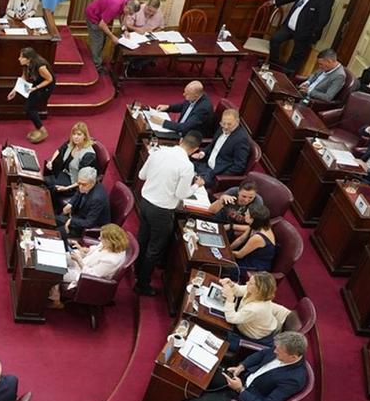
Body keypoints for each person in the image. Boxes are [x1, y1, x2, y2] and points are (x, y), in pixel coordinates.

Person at [182, 331, 309, 401]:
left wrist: (240, 390)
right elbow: (261, 354)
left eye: (279, 351)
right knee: (201, 372)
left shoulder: (294, 380)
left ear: (293, 357)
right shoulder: (282, 348)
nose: (274, 351)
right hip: (241, 378)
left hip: (245, 398)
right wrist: (242, 366)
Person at [134, 133, 197, 296]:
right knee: (154, 249)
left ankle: (136, 270)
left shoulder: (158, 152)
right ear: (195, 149)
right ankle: (142, 284)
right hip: (162, 211)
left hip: (145, 202)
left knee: (142, 238)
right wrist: (195, 186)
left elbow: (141, 175)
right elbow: (182, 193)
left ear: (181, 141)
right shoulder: (187, 166)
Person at [50, 223, 128, 309]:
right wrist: (81, 248)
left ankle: (56, 301)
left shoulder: (111, 261)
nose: (99, 239)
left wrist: (79, 261)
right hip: (83, 262)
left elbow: (92, 274)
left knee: (54, 271)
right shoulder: (110, 245)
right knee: (58, 257)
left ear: (111, 241)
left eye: (102, 238)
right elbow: (95, 249)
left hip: (83, 276)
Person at [270, 0, 334, 74]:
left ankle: (286, 75)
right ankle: (274, 65)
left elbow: (323, 19)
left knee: (296, 55)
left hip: (304, 32)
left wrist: (311, 33)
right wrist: (275, 2)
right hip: (289, 27)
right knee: (275, 39)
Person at [218, 271, 290, 350]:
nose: (247, 282)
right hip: (246, 324)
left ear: (259, 289)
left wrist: (230, 299)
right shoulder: (254, 291)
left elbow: (231, 318)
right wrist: (231, 285)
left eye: (251, 283)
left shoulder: (256, 308)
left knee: (219, 335)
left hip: (251, 337)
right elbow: (238, 290)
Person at [192, 108, 249, 187]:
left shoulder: (241, 139)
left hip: (215, 173)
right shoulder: (221, 128)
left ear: (237, 122)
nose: (225, 127)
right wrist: (202, 152)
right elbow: (212, 145)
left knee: (193, 185)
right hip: (205, 164)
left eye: (229, 124)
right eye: (223, 123)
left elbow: (239, 166)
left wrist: (219, 176)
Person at [9, 47, 55, 142]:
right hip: (37, 84)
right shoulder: (26, 64)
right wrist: (14, 90)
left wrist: (36, 88)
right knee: (29, 107)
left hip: (45, 87)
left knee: (30, 108)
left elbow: (49, 79)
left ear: (29, 59)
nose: (19, 59)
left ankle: (43, 131)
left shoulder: (40, 66)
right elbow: (24, 77)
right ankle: (40, 129)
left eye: (21, 57)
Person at [43, 122, 97, 202]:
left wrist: (66, 188)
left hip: (73, 181)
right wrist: (51, 161)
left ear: (85, 136)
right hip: (63, 172)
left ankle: (51, 208)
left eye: (79, 134)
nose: (75, 137)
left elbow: (84, 179)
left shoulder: (88, 155)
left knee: (50, 185)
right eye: (74, 134)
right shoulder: (72, 143)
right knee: (43, 181)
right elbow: (59, 150)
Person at [84, 0, 137, 71]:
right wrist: (112, 37)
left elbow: (123, 15)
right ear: (127, 7)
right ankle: (96, 66)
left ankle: (98, 58)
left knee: (103, 38)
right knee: (98, 41)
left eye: (131, 14)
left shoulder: (128, 1)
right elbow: (102, 24)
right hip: (93, 16)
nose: (129, 15)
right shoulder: (115, 6)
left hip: (101, 15)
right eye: (129, 12)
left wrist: (124, 29)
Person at [228, 202, 277, 278]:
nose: (245, 214)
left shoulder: (258, 238)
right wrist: (228, 248)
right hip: (248, 256)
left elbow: (239, 255)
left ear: (252, 219)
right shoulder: (255, 225)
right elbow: (241, 239)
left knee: (223, 267)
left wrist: (225, 253)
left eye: (247, 213)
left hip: (254, 267)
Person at [58, 167, 110, 237]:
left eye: (83, 184)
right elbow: (78, 193)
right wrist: (70, 204)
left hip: (84, 228)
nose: (80, 187)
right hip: (77, 215)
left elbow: (89, 222)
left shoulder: (97, 199)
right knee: (52, 220)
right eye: (79, 183)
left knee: (56, 232)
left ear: (93, 182)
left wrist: (72, 221)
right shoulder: (86, 185)